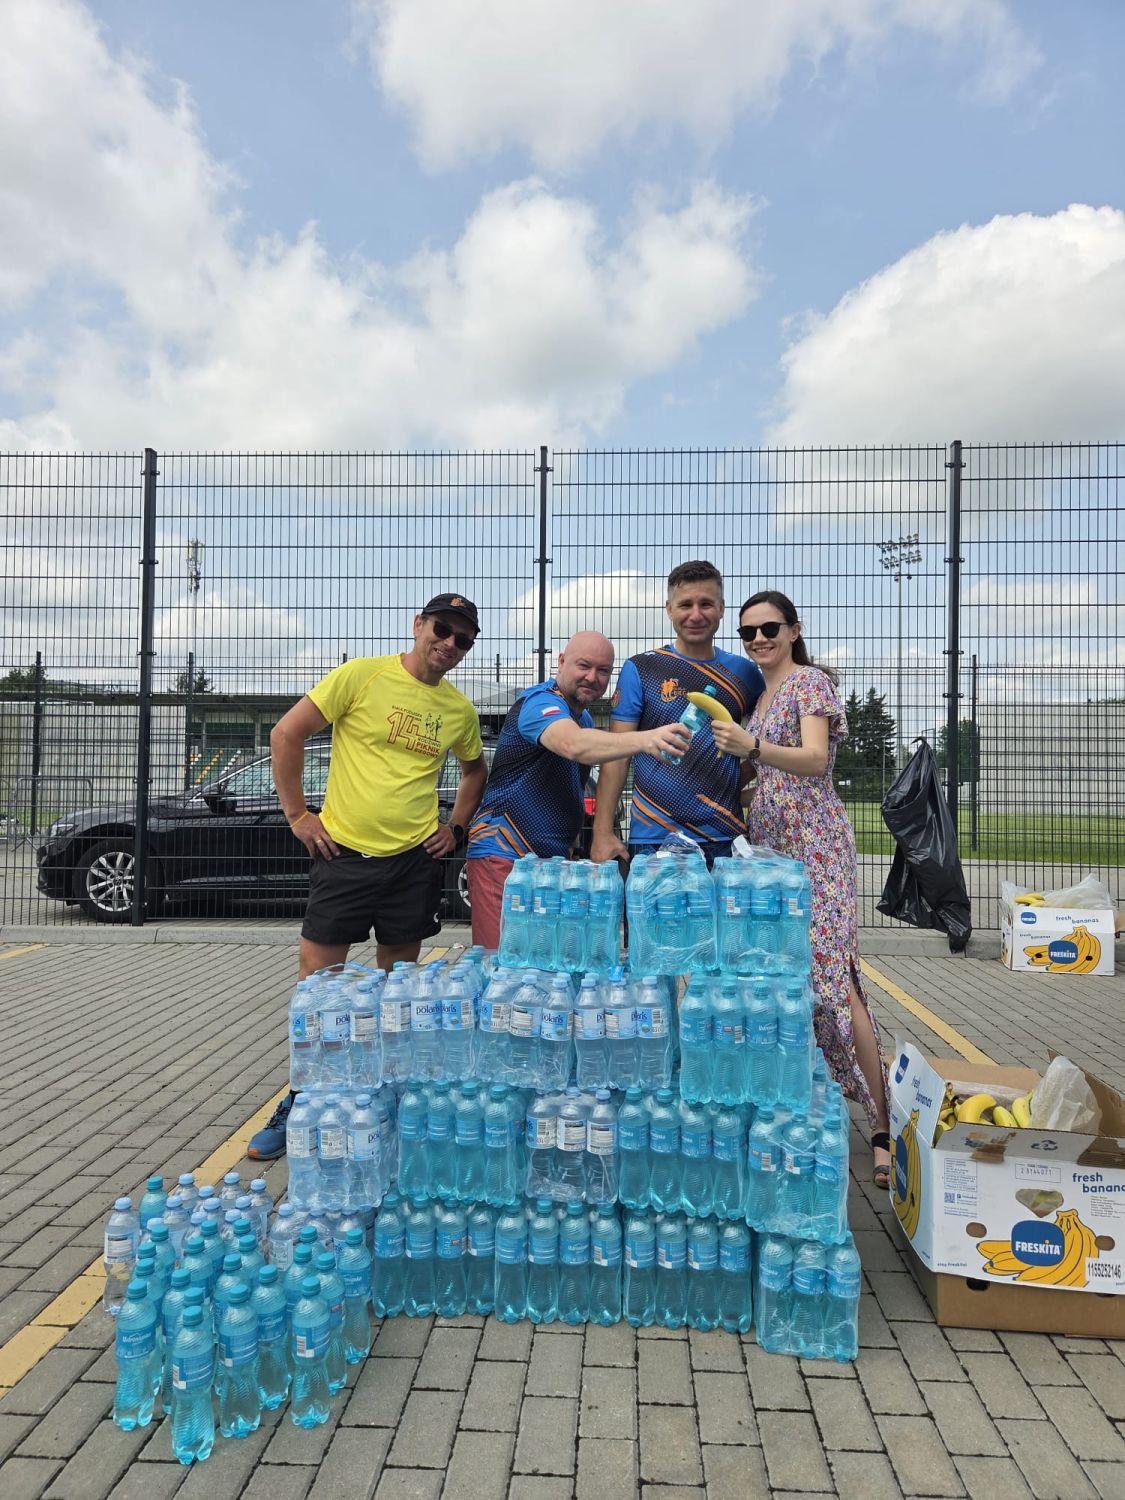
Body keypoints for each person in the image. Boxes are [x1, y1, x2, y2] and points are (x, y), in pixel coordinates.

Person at [247, 594, 488, 1159]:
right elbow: (286, 734)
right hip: (345, 855)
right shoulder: (361, 676)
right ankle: (302, 1099)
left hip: (413, 863)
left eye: (463, 639)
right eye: (442, 629)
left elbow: (475, 770)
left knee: (396, 990)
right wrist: (298, 816)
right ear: (418, 625)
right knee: (317, 988)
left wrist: (455, 828)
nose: (449, 644)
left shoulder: (458, 710)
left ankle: (382, 1096)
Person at [709, 589, 893, 1186]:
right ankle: (812, 1107)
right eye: (748, 632)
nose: (759, 639)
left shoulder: (809, 683)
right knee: (791, 983)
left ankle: (883, 1125)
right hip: (772, 852)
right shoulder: (761, 698)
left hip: (816, 847)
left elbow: (814, 761)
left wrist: (752, 747)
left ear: (794, 630)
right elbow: (769, 776)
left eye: (770, 628)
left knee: (835, 980)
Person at [466, 631, 691, 949]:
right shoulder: (539, 703)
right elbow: (572, 744)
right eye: (584, 666)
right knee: (503, 964)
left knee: (543, 966)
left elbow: (573, 781)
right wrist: (647, 739)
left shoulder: (583, 718)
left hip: (551, 864)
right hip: (505, 855)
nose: (592, 677)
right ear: (561, 662)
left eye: (603, 670)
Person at [590, 560, 765, 868]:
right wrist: (602, 832)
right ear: (669, 609)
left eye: (706, 604)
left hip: (725, 838)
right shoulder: (641, 669)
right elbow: (616, 756)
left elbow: (767, 742)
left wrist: (737, 781)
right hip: (654, 838)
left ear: (722, 609)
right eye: (685, 605)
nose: (695, 615)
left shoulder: (746, 673)